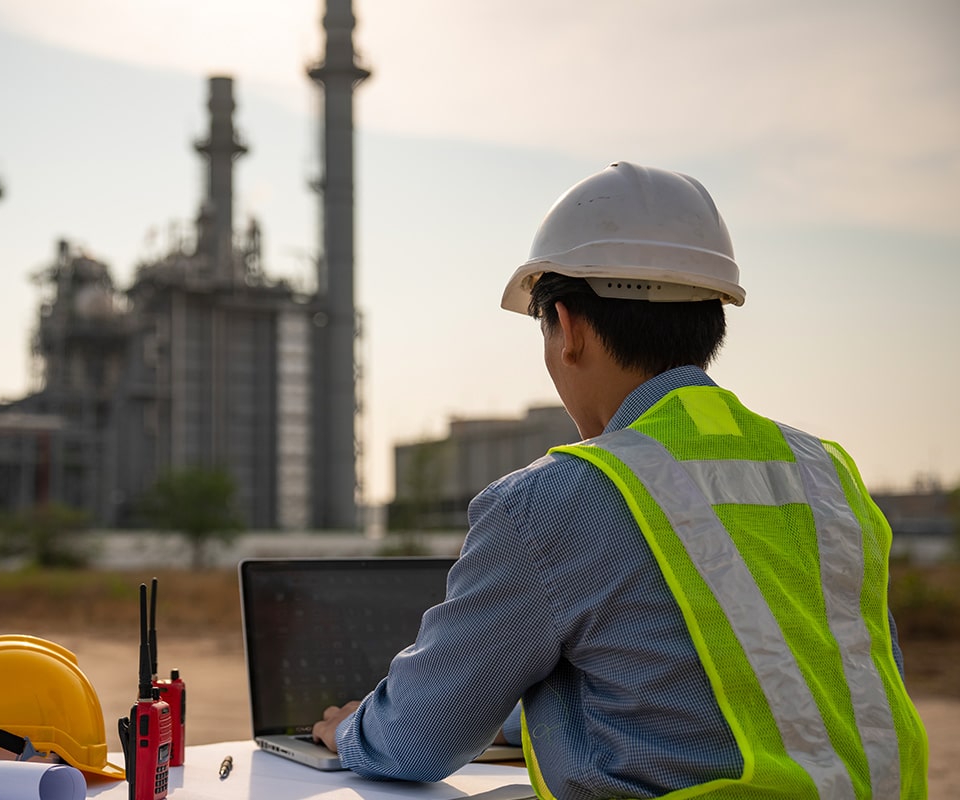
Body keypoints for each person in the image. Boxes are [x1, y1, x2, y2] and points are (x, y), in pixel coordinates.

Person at [312, 161, 928, 798]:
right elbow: (733, 688)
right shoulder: (827, 474)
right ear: (712, 320)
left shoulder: (549, 503)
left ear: (569, 329)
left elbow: (418, 737)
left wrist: (355, 729)